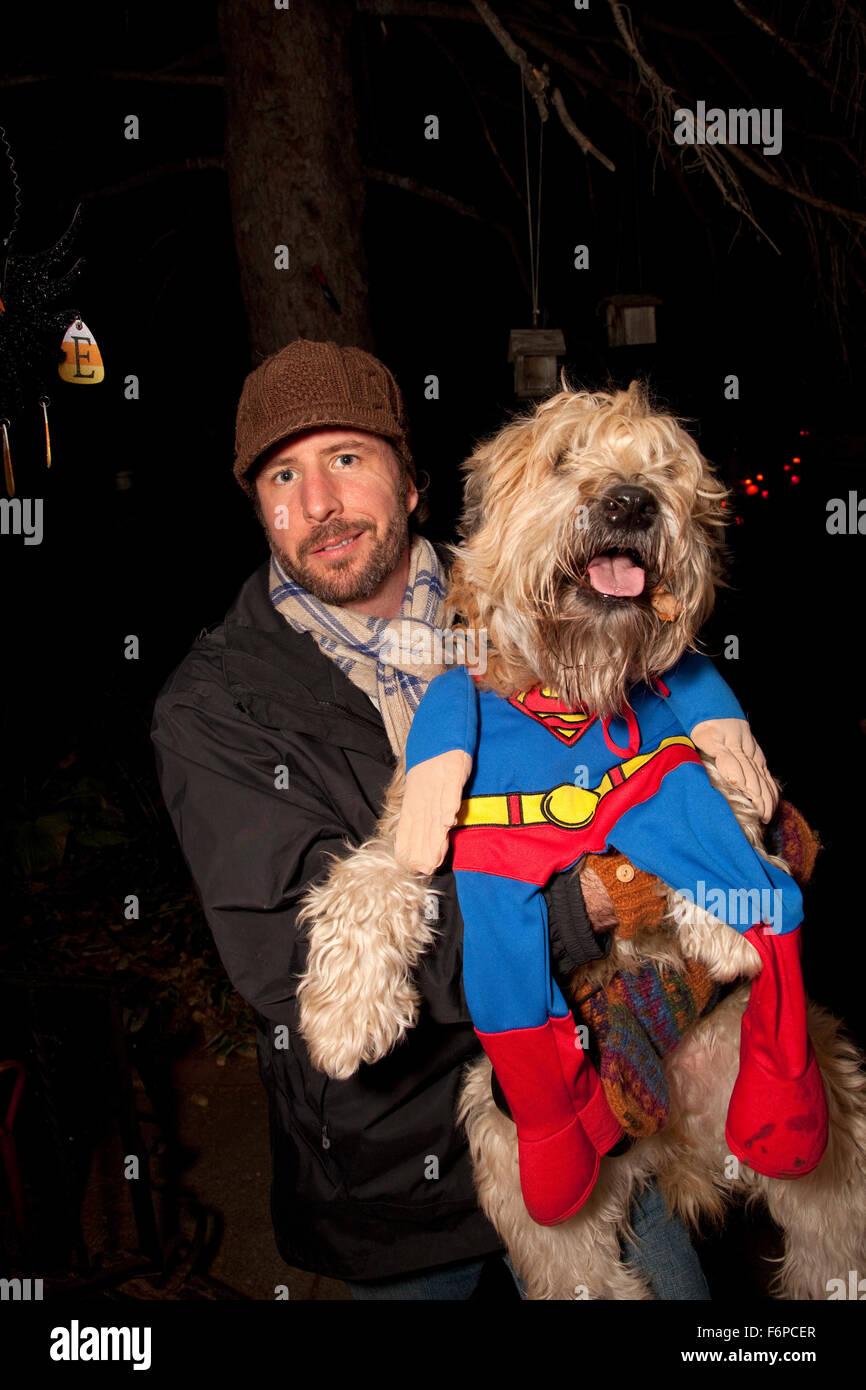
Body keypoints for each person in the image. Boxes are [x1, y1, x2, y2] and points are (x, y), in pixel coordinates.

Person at [150, 337, 712, 1299]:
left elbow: (661, 728)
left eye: (346, 459)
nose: (318, 503)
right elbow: (293, 960)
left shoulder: (545, 595)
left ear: (411, 484)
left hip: (603, 1109)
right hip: (395, 1176)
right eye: (284, 475)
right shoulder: (212, 707)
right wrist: (585, 909)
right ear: (260, 508)